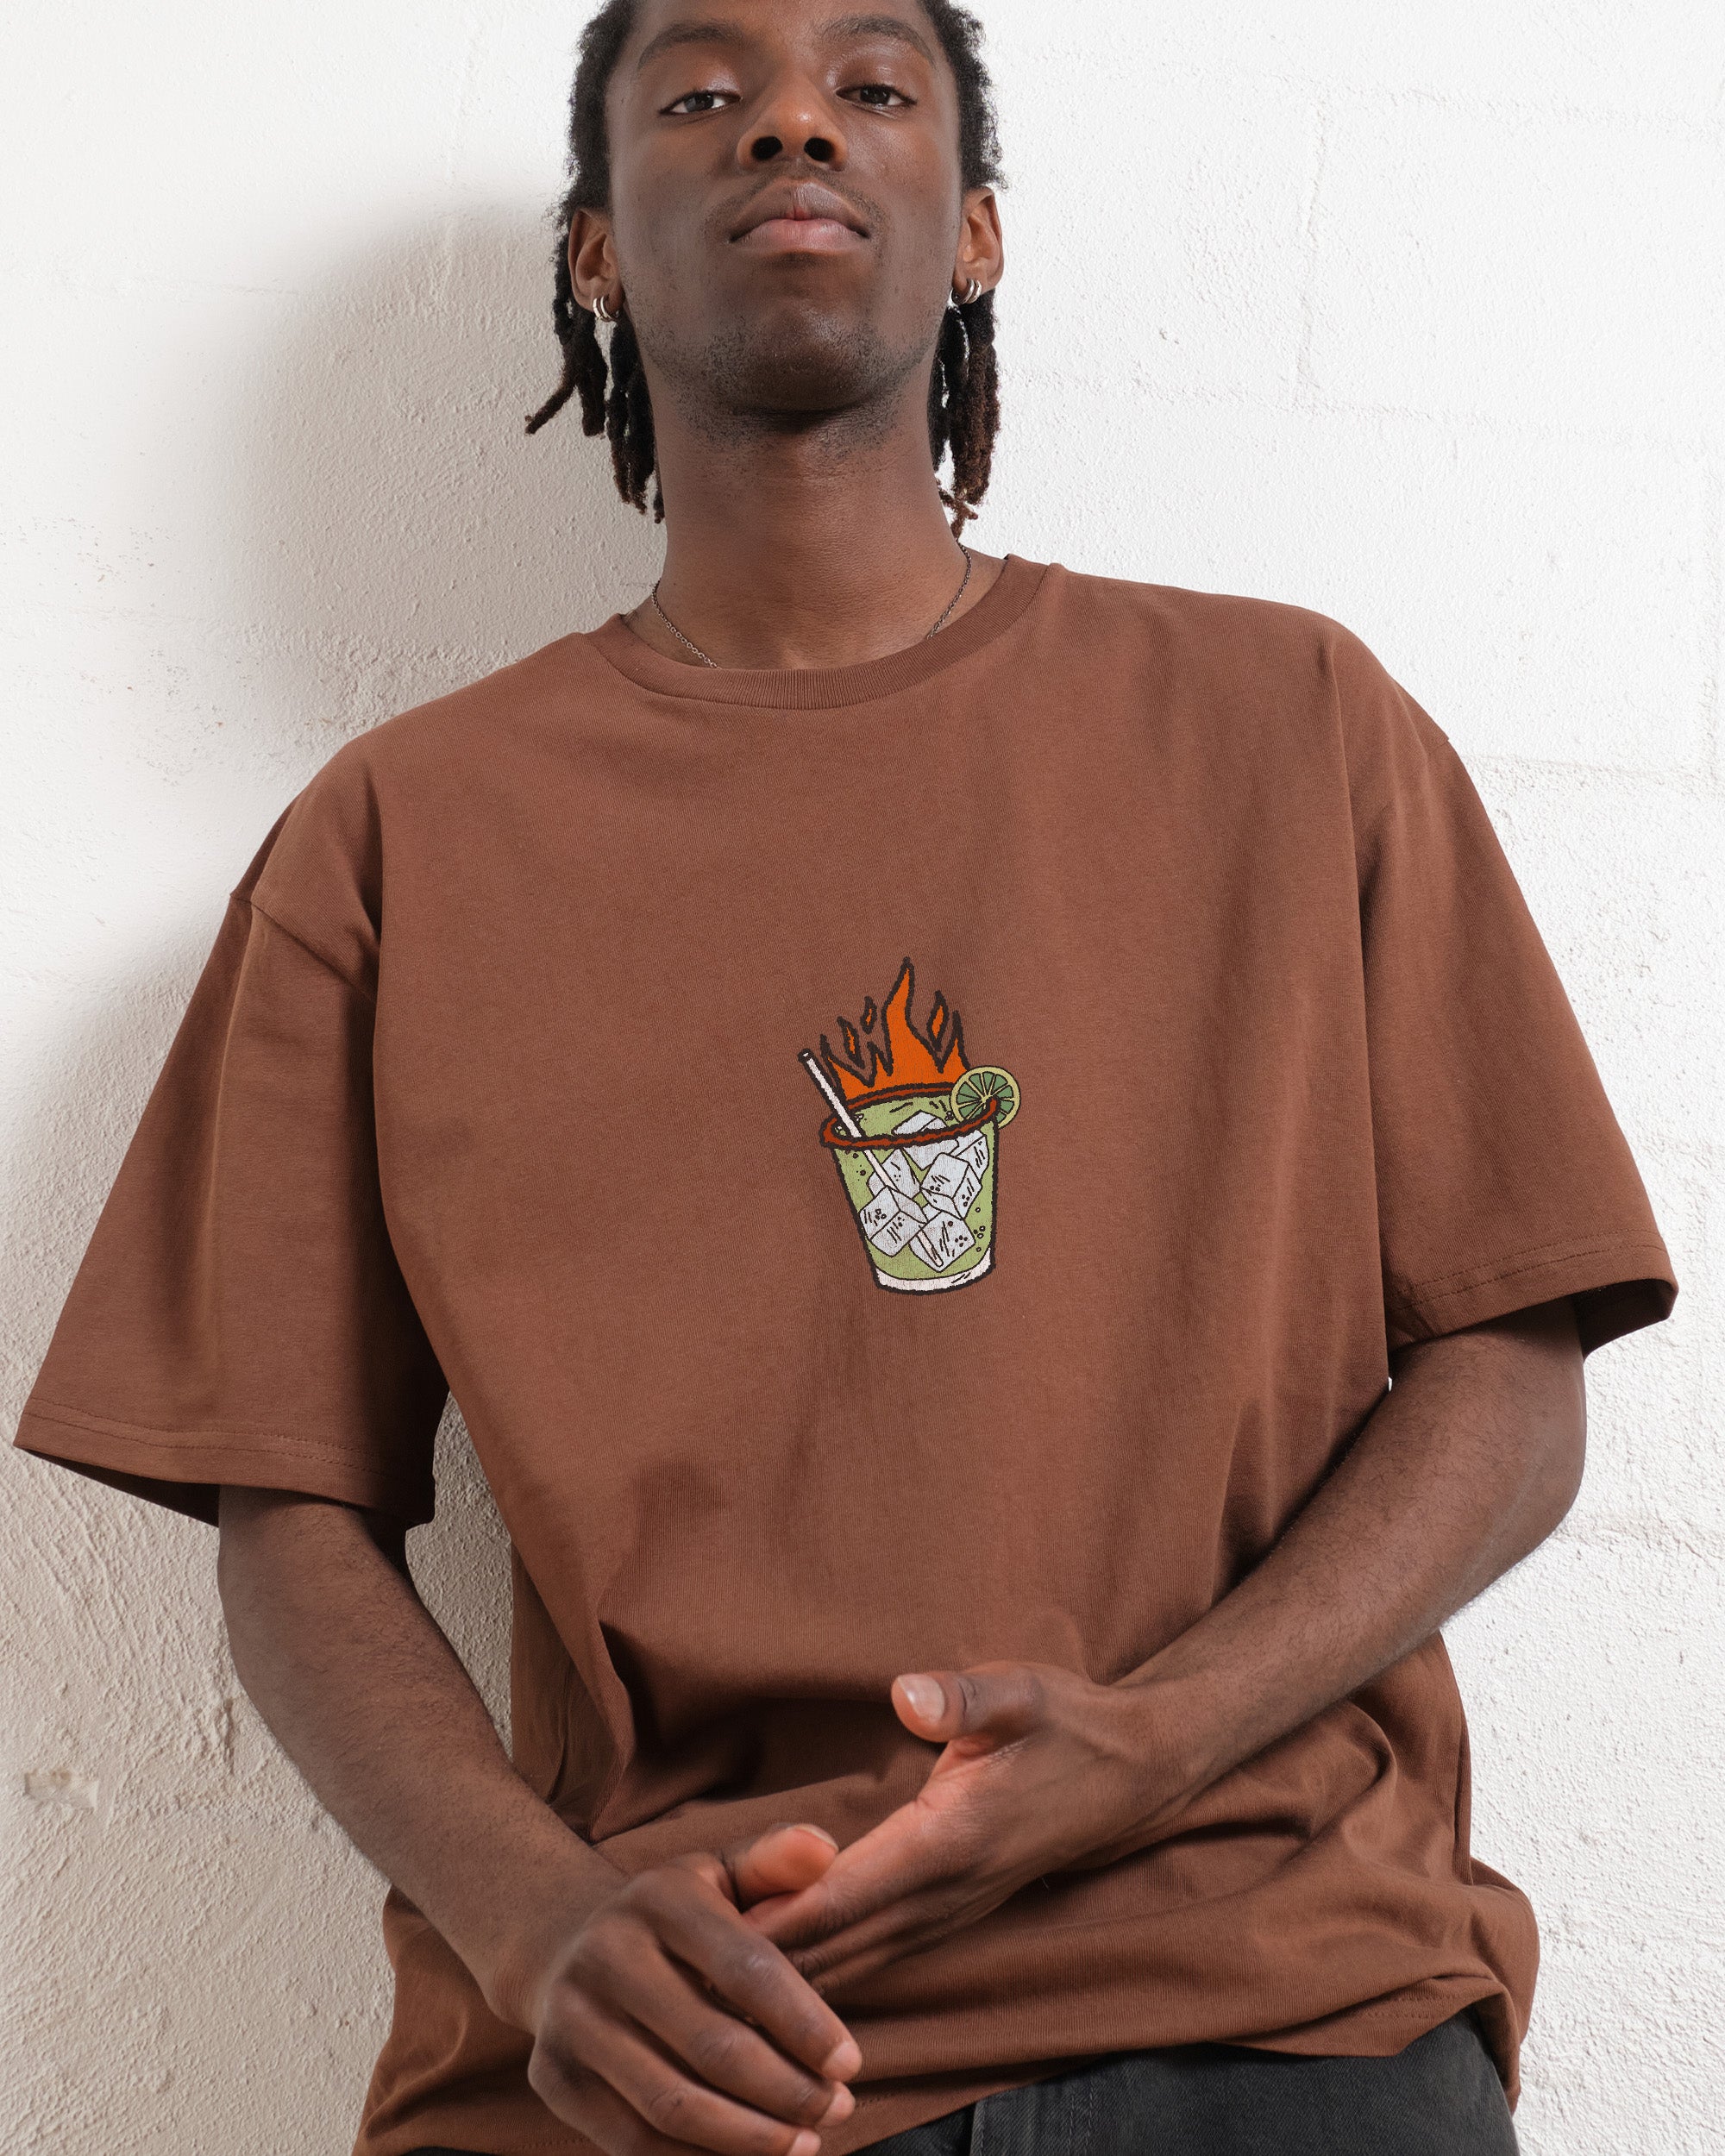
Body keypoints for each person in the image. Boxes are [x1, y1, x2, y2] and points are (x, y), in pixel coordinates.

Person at [11, 3, 1678, 2153]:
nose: (791, 121)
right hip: (673, 2042)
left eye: (871, 88)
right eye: (705, 94)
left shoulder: (1294, 723)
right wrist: (531, 1915)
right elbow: (286, 1511)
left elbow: (1513, 1370)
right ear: (595, 251)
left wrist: (1156, 1736)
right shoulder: (400, 836)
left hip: (1266, 2007)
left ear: (972, 231)